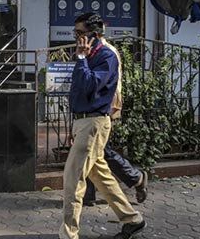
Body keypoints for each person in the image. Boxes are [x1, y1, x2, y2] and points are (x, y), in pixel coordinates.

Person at [60, 12, 146, 239]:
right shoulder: (88, 55)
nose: (76, 37)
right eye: (75, 32)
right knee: (101, 176)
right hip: (84, 121)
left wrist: (81, 58)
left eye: (80, 33)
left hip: (94, 122)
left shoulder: (106, 56)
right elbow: (78, 89)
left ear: (94, 34)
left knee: (73, 180)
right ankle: (132, 219)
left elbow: (90, 86)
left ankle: (68, 234)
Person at [83, 36, 149, 206]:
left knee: (99, 150)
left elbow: (112, 83)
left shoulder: (108, 52)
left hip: (104, 109)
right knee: (92, 149)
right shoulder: (91, 51)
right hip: (93, 109)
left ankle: (136, 178)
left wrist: (112, 108)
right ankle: (88, 193)